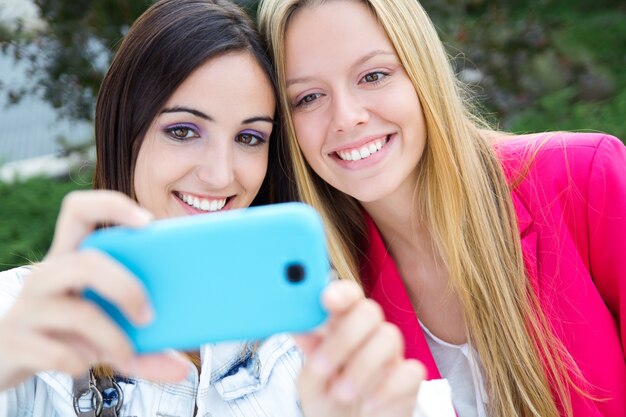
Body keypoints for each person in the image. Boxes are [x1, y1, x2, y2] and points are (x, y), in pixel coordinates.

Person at [0, 0, 425, 416]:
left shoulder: (316, 325)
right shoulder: (23, 314)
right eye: (183, 131)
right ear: (124, 133)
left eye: (249, 138)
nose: (221, 176)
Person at [257, 0, 626, 416]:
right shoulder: (332, 297)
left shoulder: (584, 177)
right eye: (307, 98)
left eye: (373, 75)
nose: (346, 117)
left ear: (422, 70)